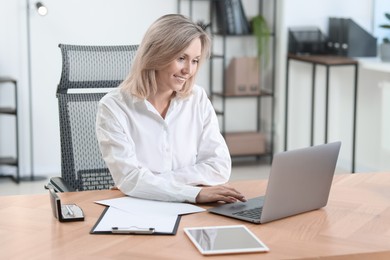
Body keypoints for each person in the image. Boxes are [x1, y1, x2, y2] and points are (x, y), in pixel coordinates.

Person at [96, 14, 246, 204]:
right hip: (140, 208)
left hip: (193, 211)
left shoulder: (197, 98)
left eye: (195, 60)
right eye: (181, 58)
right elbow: (130, 179)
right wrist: (193, 193)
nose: (188, 70)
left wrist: (150, 183)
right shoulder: (113, 107)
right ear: (157, 54)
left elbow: (219, 167)